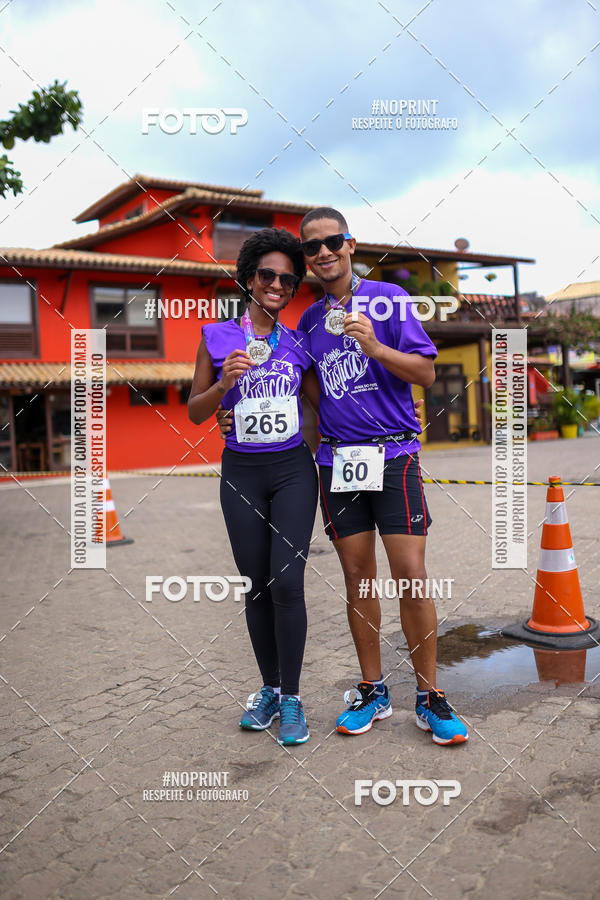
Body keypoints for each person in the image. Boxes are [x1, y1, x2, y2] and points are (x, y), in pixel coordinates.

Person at [218, 208, 468, 746]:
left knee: (409, 573)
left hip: (394, 455)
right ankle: (372, 690)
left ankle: (429, 696)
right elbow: (300, 394)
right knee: (358, 577)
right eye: (312, 247)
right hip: (338, 462)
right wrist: (231, 410)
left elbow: (426, 373)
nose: (323, 252)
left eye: (333, 241)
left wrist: (376, 347)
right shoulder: (307, 321)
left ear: (351, 244)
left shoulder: (389, 299)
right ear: (307, 259)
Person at [188, 227, 320, 746]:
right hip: (240, 473)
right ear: (247, 278)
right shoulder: (217, 337)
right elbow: (197, 412)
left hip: (291, 471)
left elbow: (321, 405)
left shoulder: (299, 342)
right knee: (256, 585)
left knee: (287, 583)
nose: (277, 285)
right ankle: (268, 688)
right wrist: (224, 385)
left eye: (287, 280)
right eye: (268, 275)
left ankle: (292, 698)